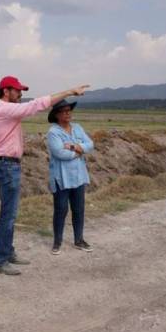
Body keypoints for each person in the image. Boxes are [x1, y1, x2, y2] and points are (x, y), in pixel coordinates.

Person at [0, 76, 89, 276]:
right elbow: (36, 105)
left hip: (7, 163)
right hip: (6, 164)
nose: (20, 94)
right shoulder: (2, 109)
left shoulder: (0, 110)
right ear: (5, 91)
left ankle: (7, 253)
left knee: (10, 212)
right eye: (17, 91)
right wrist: (69, 91)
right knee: (8, 214)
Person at [46, 100, 94, 255]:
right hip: (62, 178)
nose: (68, 113)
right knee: (61, 209)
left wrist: (73, 146)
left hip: (78, 176)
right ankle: (57, 241)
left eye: (69, 110)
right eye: (64, 111)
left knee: (79, 209)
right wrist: (80, 151)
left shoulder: (78, 128)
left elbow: (90, 145)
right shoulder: (53, 132)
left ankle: (79, 239)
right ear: (57, 115)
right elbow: (60, 153)